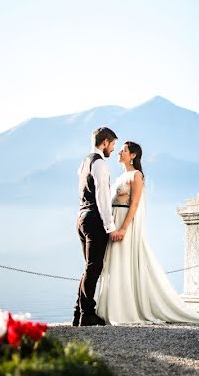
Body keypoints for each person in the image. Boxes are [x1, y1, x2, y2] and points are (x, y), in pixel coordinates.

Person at [95, 141, 199, 324]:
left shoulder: (136, 175)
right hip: (114, 221)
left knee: (124, 261)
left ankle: (126, 310)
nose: (119, 153)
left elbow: (134, 204)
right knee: (115, 264)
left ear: (132, 155)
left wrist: (123, 228)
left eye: (123, 150)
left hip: (125, 223)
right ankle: (113, 308)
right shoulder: (120, 176)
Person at [73, 126, 122, 326]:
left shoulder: (85, 162)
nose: (112, 149)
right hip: (94, 219)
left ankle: (79, 312)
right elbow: (103, 198)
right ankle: (87, 315)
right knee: (94, 268)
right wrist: (110, 228)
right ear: (105, 143)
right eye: (112, 145)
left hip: (81, 218)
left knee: (89, 268)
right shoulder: (100, 164)